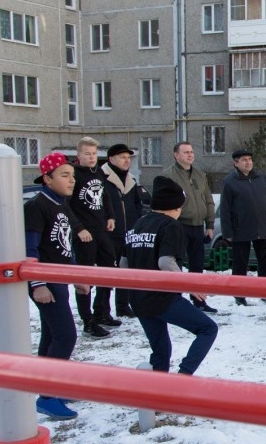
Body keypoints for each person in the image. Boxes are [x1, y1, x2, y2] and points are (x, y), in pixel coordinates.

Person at [122, 176, 218, 375]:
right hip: (162, 298)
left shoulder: (137, 224)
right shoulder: (170, 225)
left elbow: (123, 264)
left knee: (161, 350)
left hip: (138, 298)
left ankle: (159, 395)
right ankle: (183, 376)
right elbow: (165, 262)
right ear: (176, 206)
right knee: (208, 329)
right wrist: (190, 285)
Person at [24, 152, 91, 420]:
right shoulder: (37, 205)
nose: (72, 180)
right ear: (47, 178)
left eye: (73, 176)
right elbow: (29, 249)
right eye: (65, 175)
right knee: (66, 335)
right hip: (45, 280)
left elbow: (65, 246)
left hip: (59, 278)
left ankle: (50, 386)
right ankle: (49, 396)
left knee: (51, 336)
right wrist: (37, 283)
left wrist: (76, 277)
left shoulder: (61, 204)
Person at [159, 141, 218, 313]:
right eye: (186, 152)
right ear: (176, 155)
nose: (190, 155)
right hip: (178, 226)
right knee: (175, 263)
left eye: (191, 151)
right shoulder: (168, 176)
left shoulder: (200, 175)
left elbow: (208, 200)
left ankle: (198, 300)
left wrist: (210, 224)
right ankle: (175, 300)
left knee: (197, 265)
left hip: (198, 226)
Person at [70, 136, 118, 337]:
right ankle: (87, 320)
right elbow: (67, 205)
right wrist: (79, 228)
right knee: (86, 277)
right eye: (87, 154)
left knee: (108, 271)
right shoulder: (73, 175)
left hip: (101, 229)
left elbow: (105, 195)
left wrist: (110, 216)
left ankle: (102, 312)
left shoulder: (98, 172)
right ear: (78, 155)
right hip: (84, 233)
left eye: (94, 154)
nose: (91, 157)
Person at [220, 149, 266, 306]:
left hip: (262, 226)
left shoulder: (261, 178)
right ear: (236, 163)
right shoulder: (229, 181)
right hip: (240, 229)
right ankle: (239, 295)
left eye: (250, 159)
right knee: (240, 263)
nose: (248, 162)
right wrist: (228, 232)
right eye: (244, 160)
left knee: (265, 262)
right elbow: (225, 209)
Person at [102, 143, 144, 318]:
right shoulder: (102, 178)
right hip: (110, 233)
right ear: (111, 159)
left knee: (125, 271)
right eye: (122, 157)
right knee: (108, 273)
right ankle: (102, 311)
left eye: (128, 158)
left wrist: (136, 223)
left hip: (128, 232)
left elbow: (137, 204)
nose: (127, 161)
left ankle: (123, 305)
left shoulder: (131, 180)